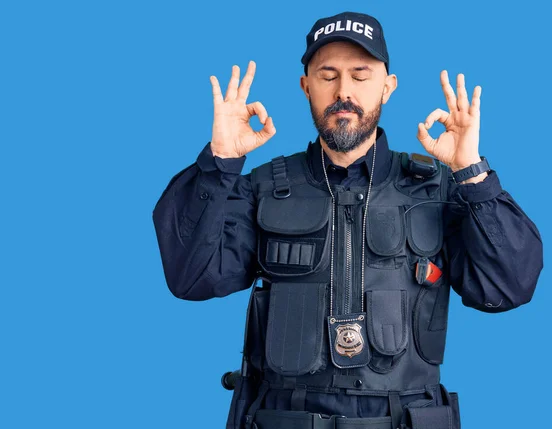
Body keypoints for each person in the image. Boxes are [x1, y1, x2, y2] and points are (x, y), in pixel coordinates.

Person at [153, 11, 543, 429]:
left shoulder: (439, 189)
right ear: (305, 86)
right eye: (327, 75)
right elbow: (191, 279)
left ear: (388, 87)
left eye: (361, 75)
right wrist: (220, 163)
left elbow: (509, 288)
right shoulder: (262, 187)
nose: (344, 92)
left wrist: (471, 173)